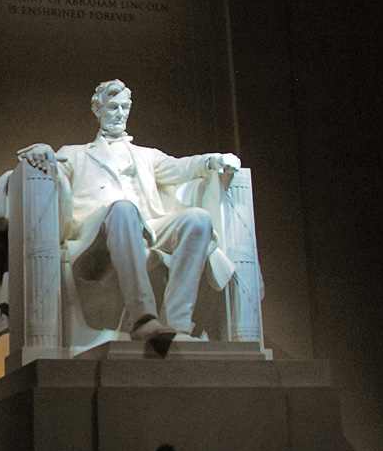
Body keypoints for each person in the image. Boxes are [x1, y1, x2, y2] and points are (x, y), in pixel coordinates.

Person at [19, 79, 240, 354]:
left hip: (145, 224)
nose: (120, 113)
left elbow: (180, 167)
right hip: (98, 228)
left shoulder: (147, 156)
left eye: (125, 107)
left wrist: (212, 160)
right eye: (113, 107)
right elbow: (54, 175)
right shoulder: (75, 153)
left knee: (198, 219)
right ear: (97, 110)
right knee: (123, 208)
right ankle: (143, 318)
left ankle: (177, 324)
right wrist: (43, 152)